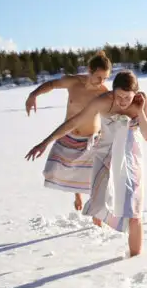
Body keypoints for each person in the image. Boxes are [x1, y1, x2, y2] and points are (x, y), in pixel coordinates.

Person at [25, 70, 147, 256]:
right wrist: (45, 142)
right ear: (113, 91)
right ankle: (110, 222)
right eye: (119, 96)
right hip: (105, 156)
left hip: (130, 159)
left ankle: (134, 259)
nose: (123, 101)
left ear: (136, 93)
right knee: (100, 204)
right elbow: (74, 122)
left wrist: (141, 112)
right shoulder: (102, 101)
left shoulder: (141, 102)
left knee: (134, 212)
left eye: (127, 97)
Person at [25, 52, 112, 211]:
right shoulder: (73, 82)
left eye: (105, 78)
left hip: (91, 139)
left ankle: (96, 211)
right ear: (89, 71)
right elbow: (51, 85)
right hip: (68, 135)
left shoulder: (103, 92)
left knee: (95, 177)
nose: (102, 82)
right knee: (58, 170)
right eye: (99, 77)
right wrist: (33, 94)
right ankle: (77, 194)